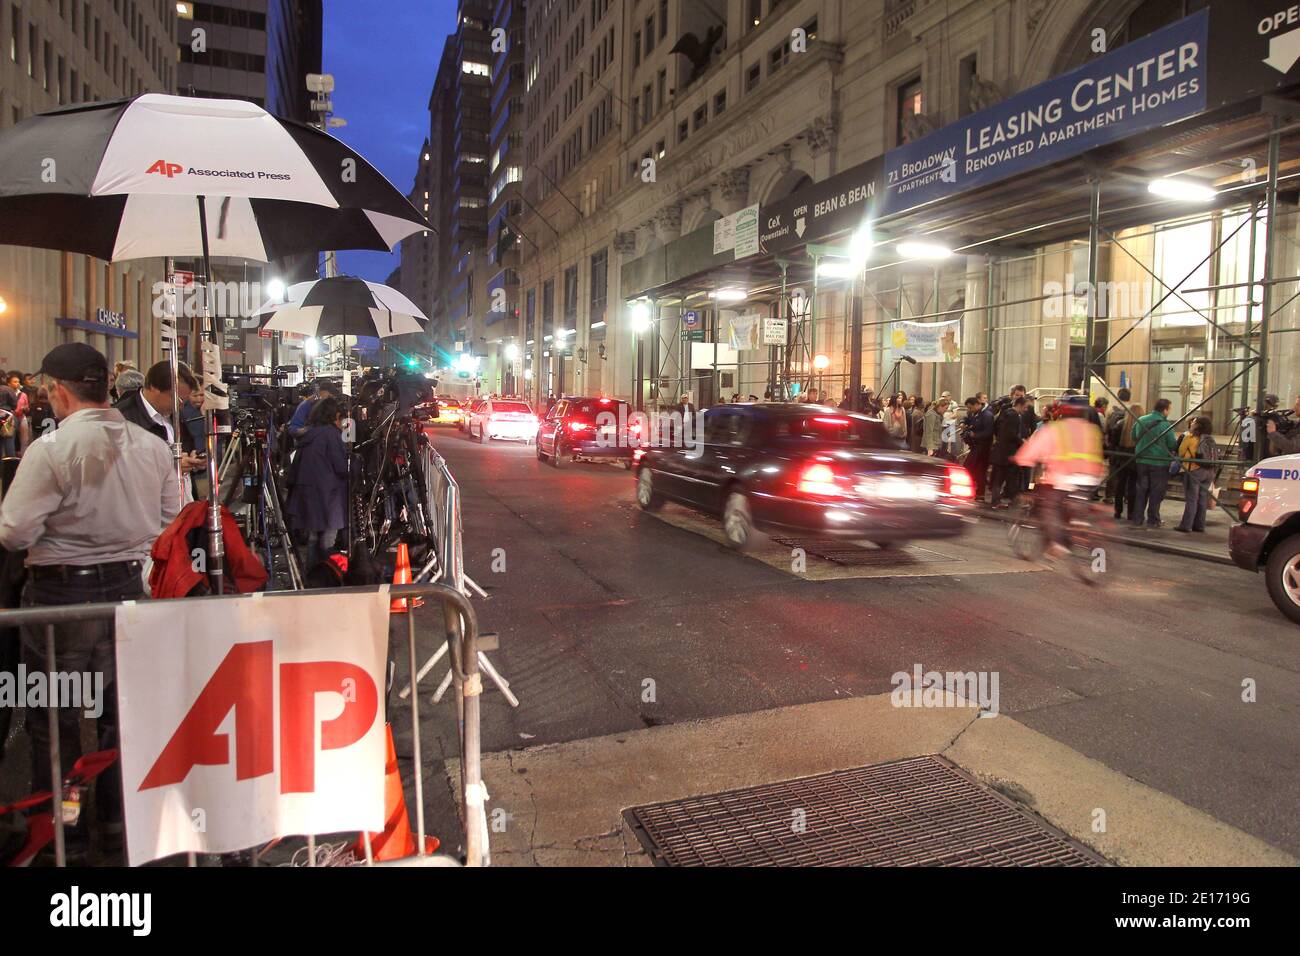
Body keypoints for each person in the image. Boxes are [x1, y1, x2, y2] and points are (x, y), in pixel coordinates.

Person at [0, 343, 179, 861]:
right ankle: (117, 821)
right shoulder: (152, 447)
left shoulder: (51, 450)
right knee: (119, 714)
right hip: (130, 591)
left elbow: (14, 532)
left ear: (57, 391)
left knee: (53, 718)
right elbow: (170, 516)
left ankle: (65, 829)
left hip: (62, 596)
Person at [1012, 395, 1105, 555]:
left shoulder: (1053, 429)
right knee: (1076, 506)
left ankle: (1058, 543)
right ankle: (1079, 524)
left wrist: (1019, 459)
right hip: (1091, 479)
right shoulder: (1092, 429)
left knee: (1049, 507)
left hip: (1063, 479)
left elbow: (1028, 455)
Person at [286, 397, 350, 571]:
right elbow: (341, 467)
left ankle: (311, 576)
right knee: (328, 540)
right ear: (335, 416)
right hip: (328, 496)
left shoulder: (309, 434)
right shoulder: (331, 435)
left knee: (313, 538)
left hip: (309, 495)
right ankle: (326, 577)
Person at [1130, 398, 1180, 529]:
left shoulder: (1141, 419)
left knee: (1141, 490)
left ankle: (1137, 519)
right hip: (1159, 463)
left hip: (1141, 460)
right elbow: (1172, 444)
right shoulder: (1165, 425)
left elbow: (1133, 436)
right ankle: (1153, 519)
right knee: (1156, 492)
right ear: (1165, 410)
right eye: (1169, 409)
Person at [1175, 416, 1218, 534]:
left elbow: (1181, 452)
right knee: (1202, 498)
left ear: (1198, 426)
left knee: (1192, 499)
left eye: (1194, 422)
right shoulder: (1210, 439)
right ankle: (1199, 525)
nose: (1192, 424)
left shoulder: (1190, 437)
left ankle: (1186, 525)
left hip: (1194, 470)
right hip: (1209, 472)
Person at [989, 396, 1028, 508]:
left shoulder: (1005, 413)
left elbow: (998, 429)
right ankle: (1009, 501)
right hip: (1007, 453)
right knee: (1009, 478)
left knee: (999, 478)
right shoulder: (1014, 416)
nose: (1026, 410)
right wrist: (1022, 442)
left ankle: (996, 501)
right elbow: (1012, 434)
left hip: (1000, 452)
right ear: (1019, 405)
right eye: (1025, 407)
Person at [963, 395, 995, 501]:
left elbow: (989, 432)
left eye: (970, 407)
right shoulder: (974, 414)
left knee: (980, 471)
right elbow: (967, 419)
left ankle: (980, 493)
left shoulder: (987, 415)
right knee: (970, 468)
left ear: (977, 405)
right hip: (975, 447)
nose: (969, 410)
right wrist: (963, 423)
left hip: (983, 448)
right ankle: (975, 491)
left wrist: (975, 435)